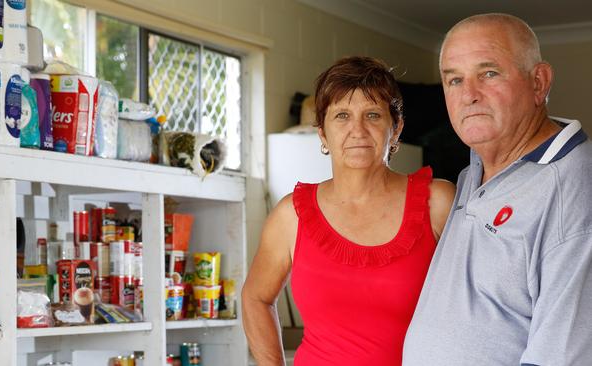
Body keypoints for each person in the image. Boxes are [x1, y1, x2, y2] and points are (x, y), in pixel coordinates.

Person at [403, 13, 592, 365]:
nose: (469, 95)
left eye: (488, 73)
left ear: (539, 82)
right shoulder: (472, 172)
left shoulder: (574, 188)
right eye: (454, 80)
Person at [242, 56, 455, 365]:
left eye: (372, 115)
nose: (358, 130)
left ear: (395, 130)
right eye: (342, 115)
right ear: (323, 133)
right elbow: (255, 298)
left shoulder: (437, 203)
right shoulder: (292, 215)